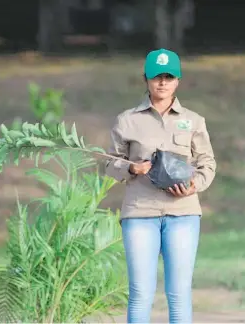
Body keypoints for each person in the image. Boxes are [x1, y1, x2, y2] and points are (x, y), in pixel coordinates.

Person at [105, 48, 216, 323]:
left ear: (178, 81)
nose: (162, 83)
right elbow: (109, 164)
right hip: (140, 213)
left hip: (183, 214)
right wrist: (131, 167)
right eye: (157, 77)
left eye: (169, 77)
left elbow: (208, 163)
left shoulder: (194, 121)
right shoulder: (127, 120)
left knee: (178, 293)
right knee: (141, 292)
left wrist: (194, 186)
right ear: (146, 79)